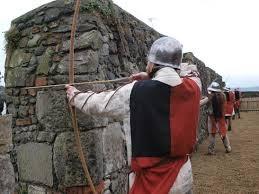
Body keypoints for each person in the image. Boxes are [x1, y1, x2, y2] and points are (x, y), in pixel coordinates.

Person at [66, 37, 202, 194]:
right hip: (184, 176)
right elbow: (191, 71)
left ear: (153, 64)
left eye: (149, 62)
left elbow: (99, 102)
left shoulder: (135, 91)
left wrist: (74, 95)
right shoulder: (194, 87)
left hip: (153, 184)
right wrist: (152, 76)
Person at [207, 82, 231, 155]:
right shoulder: (223, 96)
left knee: (212, 133)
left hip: (212, 118)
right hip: (221, 118)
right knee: (223, 132)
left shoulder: (210, 97)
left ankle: (211, 150)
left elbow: (209, 110)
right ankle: (228, 147)